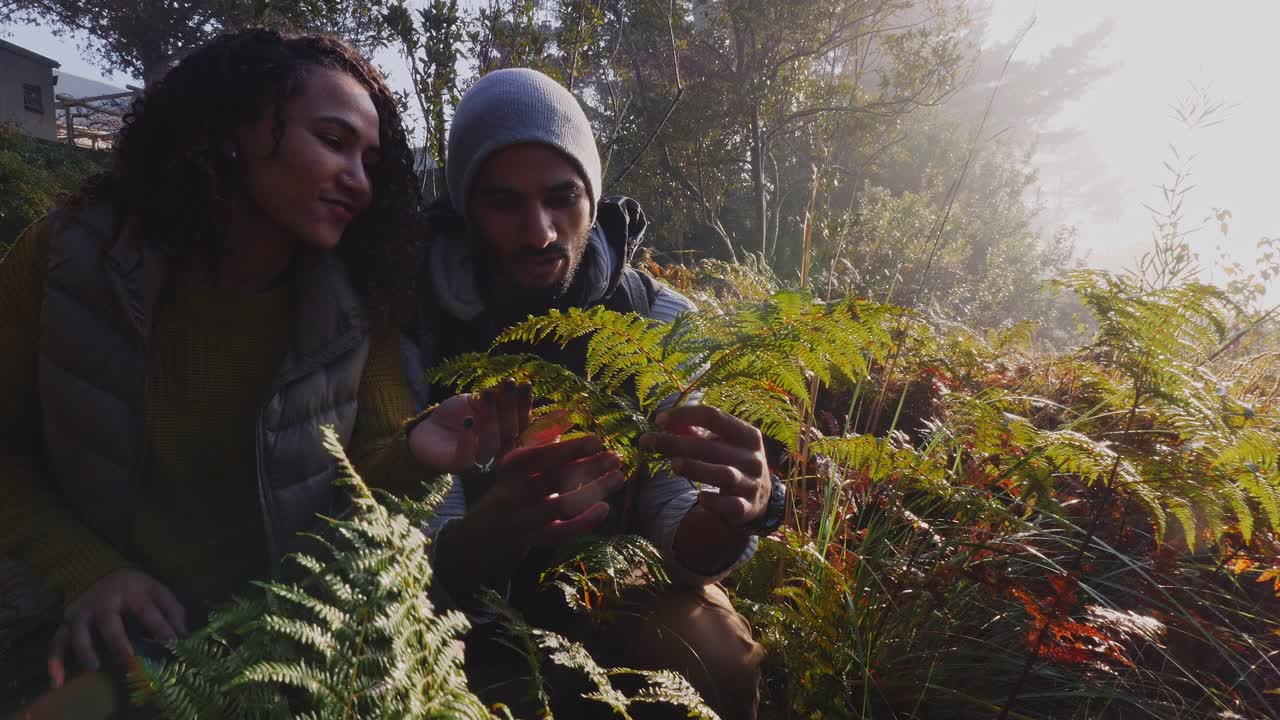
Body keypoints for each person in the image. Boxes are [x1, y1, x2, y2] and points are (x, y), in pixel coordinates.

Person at [0, 29, 507, 699]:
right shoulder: (68, 262)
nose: (358, 181)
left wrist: (420, 452)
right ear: (230, 129)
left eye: (371, 159)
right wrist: (87, 572)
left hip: (284, 642)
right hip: (96, 632)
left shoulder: (360, 299)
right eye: (333, 141)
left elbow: (364, 493)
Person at [402, 68, 787, 720]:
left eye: (563, 197)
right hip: (463, 623)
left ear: (594, 197)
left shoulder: (658, 321)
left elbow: (685, 554)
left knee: (713, 657)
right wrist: (499, 524)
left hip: (621, 594)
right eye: (503, 202)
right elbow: (417, 572)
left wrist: (732, 513)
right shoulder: (413, 324)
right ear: (465, 210)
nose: (540, 233)